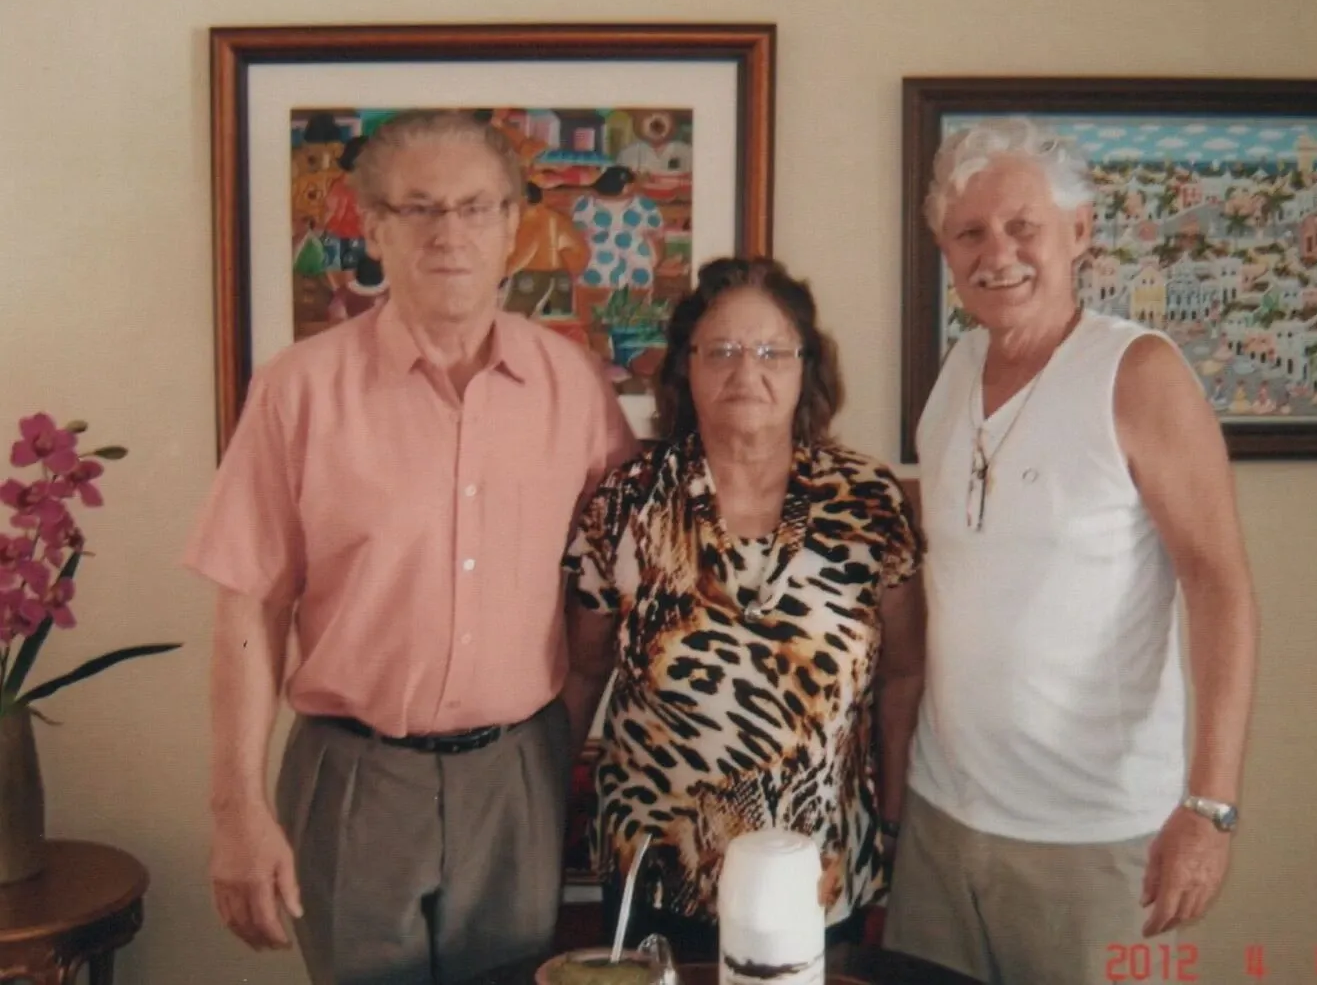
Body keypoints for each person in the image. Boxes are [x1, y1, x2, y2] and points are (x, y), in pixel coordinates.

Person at [185, 109, 639, 985]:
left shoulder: (571, 386)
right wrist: (235, 811)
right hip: (353, 776)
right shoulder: (299, 390)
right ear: (375, 227)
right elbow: (248, 606)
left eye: (476, 207)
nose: (450, 233)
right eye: (420, 209)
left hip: (518, 775)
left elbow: (616, 582)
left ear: (513, 226)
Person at [883, 117, 1260, 984]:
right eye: (968, 233)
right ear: (944, 251)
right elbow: (963, 521)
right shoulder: (954, 372)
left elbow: (1220, 584)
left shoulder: (1139, 373)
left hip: (1091, 835)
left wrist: (1210, 807)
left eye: (1023, 227)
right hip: (945, 815)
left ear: (1078, 233)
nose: (997, 253)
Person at [561, 256, 926, 962]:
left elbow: (905, 674)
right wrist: (544, 817)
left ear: (805, 368)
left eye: (770, 351)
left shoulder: (868, 500)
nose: (744, 371)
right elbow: (582, 675)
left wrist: (893, 817)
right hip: (657, 868)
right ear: (684, 368)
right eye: (720, 351)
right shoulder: (627, 501)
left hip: (819, 872)